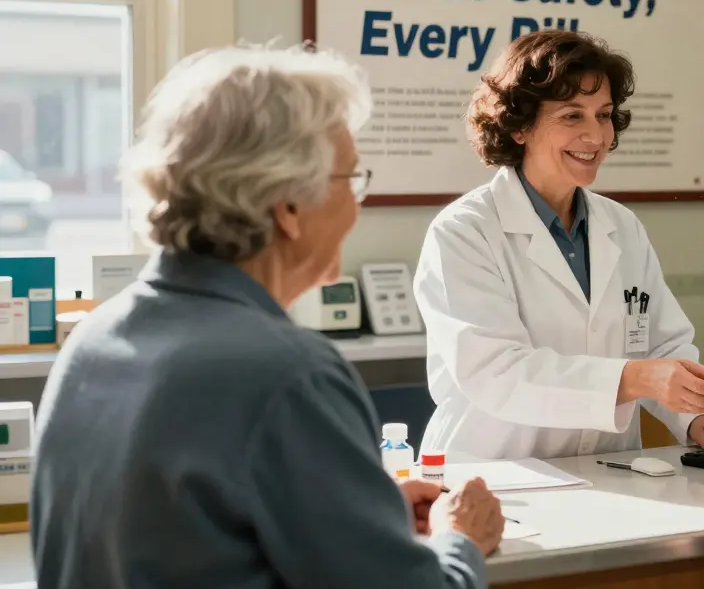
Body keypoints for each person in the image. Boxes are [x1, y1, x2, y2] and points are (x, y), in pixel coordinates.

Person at [31, 46, 503, 588]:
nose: (356, 205)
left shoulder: (93, 341)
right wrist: (462, 540)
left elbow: (186, 536)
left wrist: (363, 512)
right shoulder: (289, 374)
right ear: (289, 207)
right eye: (350, 180)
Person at [415, 30, 704, 459]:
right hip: (498, 478)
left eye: (604, 115)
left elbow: (662, 345)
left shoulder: (621, 226)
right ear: (519, 126)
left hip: (606, 471)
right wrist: (633, 379)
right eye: (572, 116)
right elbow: (498, 373)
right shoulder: (464, 232)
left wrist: (692, 416)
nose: (596, 137)